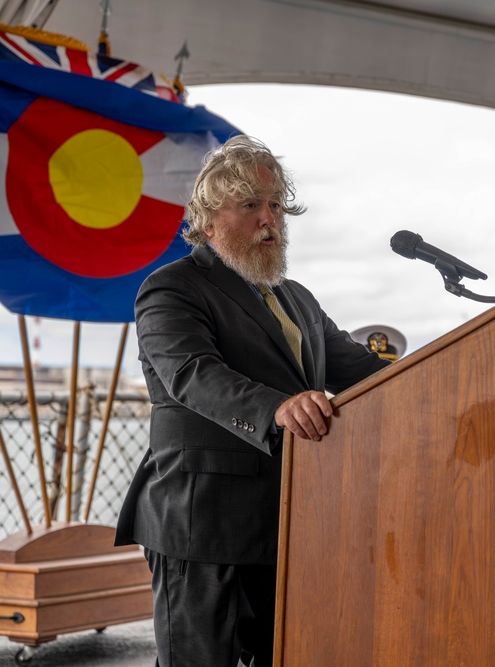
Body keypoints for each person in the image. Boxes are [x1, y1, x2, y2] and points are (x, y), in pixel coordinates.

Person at [114, 135, 391, 667]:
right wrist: (276, 407)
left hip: (287, 521)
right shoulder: (171, 288)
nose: (271, 219)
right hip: (203, 522)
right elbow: (191, 374)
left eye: (276, 205)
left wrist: (444, 378)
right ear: (208, 220)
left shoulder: (296, 297)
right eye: (250, 205)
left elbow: (358, 370)